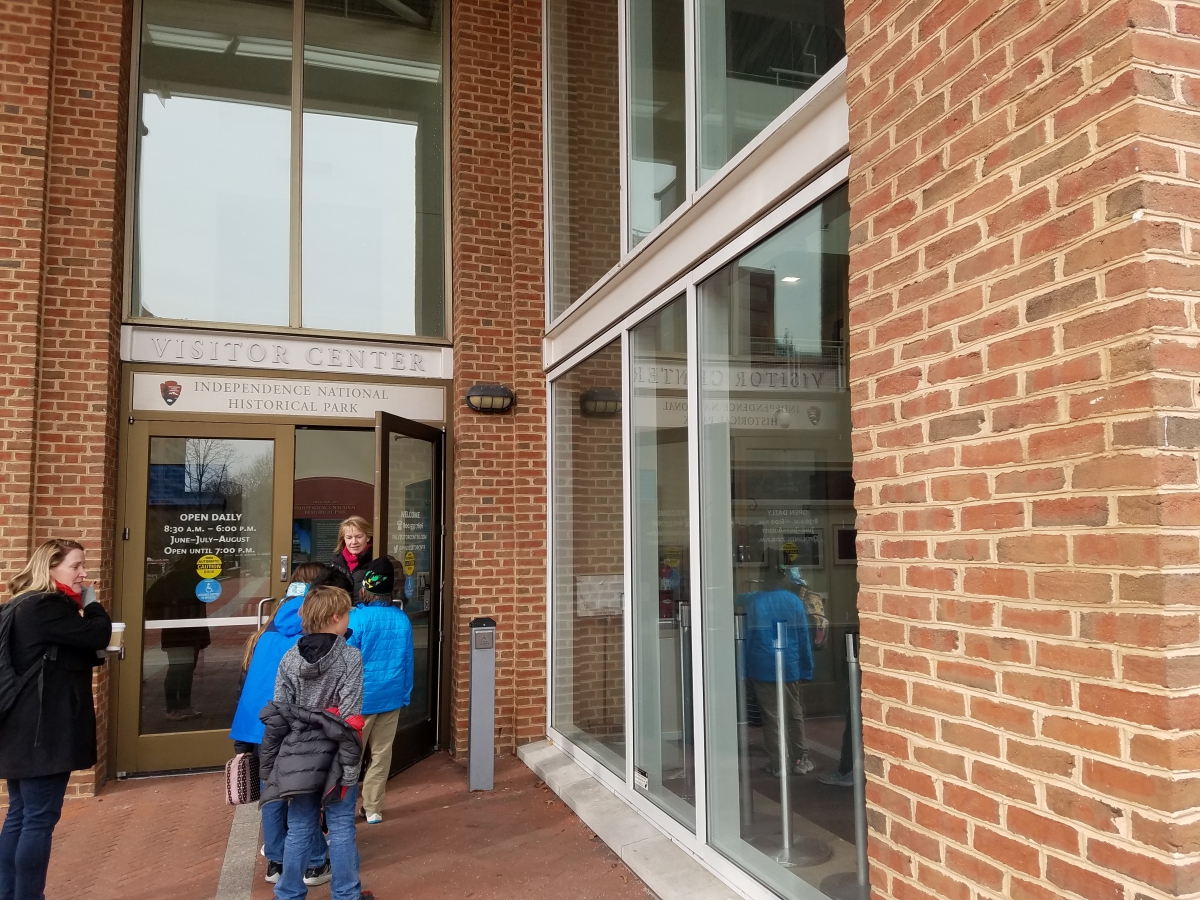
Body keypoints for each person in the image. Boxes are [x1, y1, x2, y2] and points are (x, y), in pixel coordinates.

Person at [0, 539, 111, 900]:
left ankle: (11, 892)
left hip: (20, 727)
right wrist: (92, 601)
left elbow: (64, 653)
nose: (83, 574)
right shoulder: (48, 606)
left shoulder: (19, 605)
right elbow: (98, 633)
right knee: (38, 819)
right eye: (75, 566)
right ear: (49, 568)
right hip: (43, 731)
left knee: (21, 814)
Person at [259, 585, 373, 900]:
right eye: (347, 612)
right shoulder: (349, 657)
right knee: (341, 829)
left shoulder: (289, 658)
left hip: (299, 757)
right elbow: (351, 715)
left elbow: (280, 711)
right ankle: (347, 894)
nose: (349, 617)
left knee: (298, 828)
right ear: (336, 616)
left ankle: (289, 894)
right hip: (338, 754)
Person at [230, 563, 331, 886]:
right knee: (302, 793)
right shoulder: (311, 637)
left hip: (259, 726)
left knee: (272, 793)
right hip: (293, 725)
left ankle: (275, 858)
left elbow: (247, 686)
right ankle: (314, 861)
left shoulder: (265, 633)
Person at [347, 558, 413, 824]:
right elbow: (407, 660)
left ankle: (344, 807)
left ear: (365, 588)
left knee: (352, 756)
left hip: (360, 700)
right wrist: (405, 693)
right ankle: (373, 808)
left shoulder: (357, 618)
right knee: (382, 755)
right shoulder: (402, 620)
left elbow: (346, 660)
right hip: (392, 695)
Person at [742, 565, 814, 778]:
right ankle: (800, 758)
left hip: (762, 664)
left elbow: (749, 637)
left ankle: (778, 762)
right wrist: (807, 667)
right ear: (783, 580)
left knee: (771, 716)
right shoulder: (794, 601)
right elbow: (803, 637)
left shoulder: (755, 601)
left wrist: (745, 667)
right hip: (789, 664)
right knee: (794, 713)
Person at [143, 554, 211, 721]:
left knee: (186, 668)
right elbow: (150, 599)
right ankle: (173, 708)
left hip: (188, 629)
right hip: (178, 630)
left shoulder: (191, 577)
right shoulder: (174, 578)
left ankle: (183, 706)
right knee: (178, 668)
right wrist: (162, 618)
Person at [329, 517, 373, 595]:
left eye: (359, 537)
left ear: (368, 537)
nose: (354, 542)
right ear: (344, 539)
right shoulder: (336, 563)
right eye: (349, 538)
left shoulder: (377, 560)